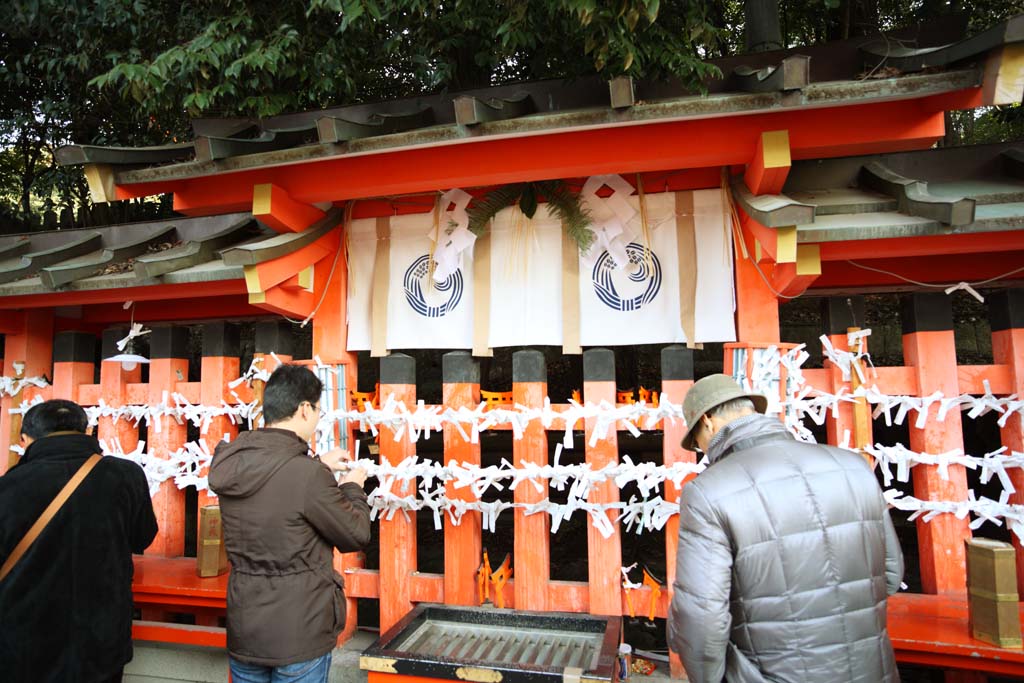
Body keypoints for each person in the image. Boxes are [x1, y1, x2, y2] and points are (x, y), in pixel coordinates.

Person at [668, 374, 903, 683]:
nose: (701, 449)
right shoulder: (854, 467)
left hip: (770, 672)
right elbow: (891, 574)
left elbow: (701, 617)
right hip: (870, 669)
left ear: (708, 421)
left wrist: (709, 677)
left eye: (696, 441)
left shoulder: (709, 491)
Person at [210, 364, 370, 683]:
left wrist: (318, 465)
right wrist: (352, 486)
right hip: (300, 631)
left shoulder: (233, 461)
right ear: (304, 409)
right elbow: (356, 533)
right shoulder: (308, 476)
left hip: (246, 627)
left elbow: (277, 483)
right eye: (317, 411)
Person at [0, 399, 158, 683]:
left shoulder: (8, 486)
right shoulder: (124, 475)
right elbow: (143, 536)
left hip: (23, 642)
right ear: (87, 431)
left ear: (25, 439)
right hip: (101, 641)